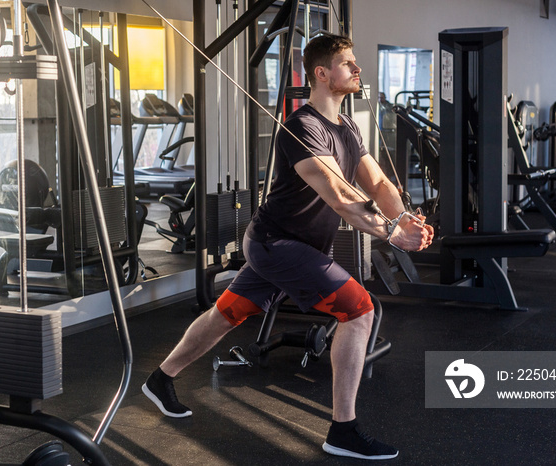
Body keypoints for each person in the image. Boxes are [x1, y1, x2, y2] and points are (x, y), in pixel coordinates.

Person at [142, 33, 434, 461]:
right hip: (278, 244)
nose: (356, 69)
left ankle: (160, 379)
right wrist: (391, 234)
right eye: (348, 63)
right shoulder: (302, 128)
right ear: (322, 73)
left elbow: (378, 183)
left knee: (227, 314)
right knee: (360, 311)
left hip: (288, 246)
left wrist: (403, 215)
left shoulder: (347, 126)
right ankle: (343, 430)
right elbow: (340, 196)